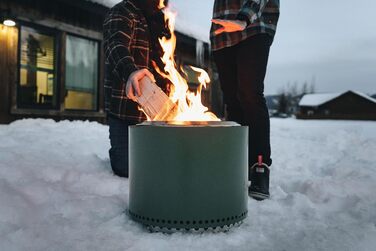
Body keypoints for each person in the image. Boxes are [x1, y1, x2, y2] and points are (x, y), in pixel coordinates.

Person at [211, 0, 280, 200]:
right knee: (232, 101)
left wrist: (243, 18)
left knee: (250, 94)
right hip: (222, 33)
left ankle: (259, 167)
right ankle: (237, 165)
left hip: (254, 27)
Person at [103, 0, 169, 178]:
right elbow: (115, 46)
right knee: (127, 168)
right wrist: (130, 72)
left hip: (156, 116)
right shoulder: (123, 11)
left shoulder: (161, 21)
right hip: (124, 113)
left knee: (163, 165)